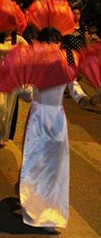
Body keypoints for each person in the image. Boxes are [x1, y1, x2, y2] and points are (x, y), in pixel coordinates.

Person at [19, 27, 89, 231]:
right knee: (34, 164)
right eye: (47, 42)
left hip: (57, 122)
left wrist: (87, 99)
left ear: (60, 45)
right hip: (38, 120)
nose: (51, 47)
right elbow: (26, 95)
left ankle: (50, 211)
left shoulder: (66, 68)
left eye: (55, 42)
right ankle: (33, 205)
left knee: (54, 169)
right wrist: (24, 88)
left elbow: (76, 91)